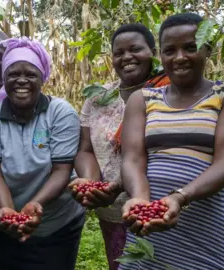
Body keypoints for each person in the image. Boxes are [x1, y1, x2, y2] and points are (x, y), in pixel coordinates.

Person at [120, 13, 224, 270]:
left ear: (207, 49)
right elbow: (133, 158)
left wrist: (180, 197)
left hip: (212, 224)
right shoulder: (143, 99)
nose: (180, 57)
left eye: (190, 48)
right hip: (152, 221)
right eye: (170, 50)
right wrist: (140, 199)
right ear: (160, 55)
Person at [0, 37, 86, 270]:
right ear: (4, 78)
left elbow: (61, 170)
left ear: (42, 78)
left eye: (30, 74)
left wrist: (34, 204)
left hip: (58, 222)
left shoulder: (60, 112)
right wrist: (8, 212)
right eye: (13, 74)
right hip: (8, 223)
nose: (21, 80)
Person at [68, 24, 170, 269]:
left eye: (135, 49)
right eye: (119, 52)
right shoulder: (97, 98)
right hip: (111, 209)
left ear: (153, 52)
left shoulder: (169, 93)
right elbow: (85, 149)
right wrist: (92, 183)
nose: (127, 57)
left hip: (161, 207)